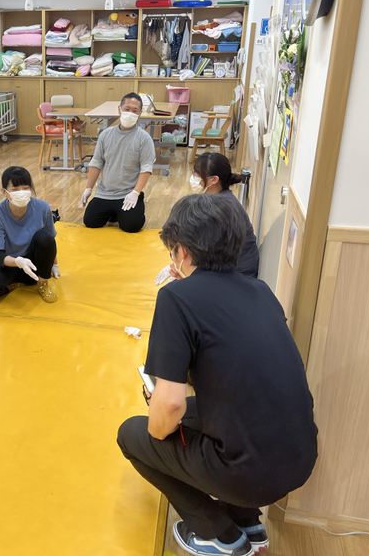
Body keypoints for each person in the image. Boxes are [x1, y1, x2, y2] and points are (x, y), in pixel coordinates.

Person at [117, 194, 317, 556]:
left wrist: (159, 430)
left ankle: (217, 533)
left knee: (133, 434)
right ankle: (247, 520)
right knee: (212, 412)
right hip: (300, 460)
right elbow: (233, 370)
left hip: (247, 474)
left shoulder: (176, 298)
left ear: (182, 252)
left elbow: (170, 406)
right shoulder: (260, 290)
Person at [0, 166, 59, 303]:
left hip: (34, 263)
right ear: (4, 192)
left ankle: (42, 283)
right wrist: (17, 262)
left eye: (25, 188)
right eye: (15, 189)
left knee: (45, 238)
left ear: (31, 189)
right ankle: (15, 284)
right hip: (12, 263)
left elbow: (49, 240)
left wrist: (54, 264)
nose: (21, 192)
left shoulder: (42, 207)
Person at [79, 93, 155, 233]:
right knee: (90, 222)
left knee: (132, 226)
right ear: (119, 109)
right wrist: (88, 188)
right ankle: (114, 213)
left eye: (135, 110)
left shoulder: (144, 138)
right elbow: (96, 162)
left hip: (128, 193)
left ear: (140, 113)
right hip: (105, 193)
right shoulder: (105, 134)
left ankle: (136, 203)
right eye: (127, 109)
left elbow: (146, 168)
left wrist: (135, 192)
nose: (130, 113)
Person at [190, 152, 259, 278]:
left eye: (198, 175)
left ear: (214, 180)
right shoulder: (220, 198)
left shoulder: (223, 208)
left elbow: (208, 250)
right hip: (231, 267)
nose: (194, 178)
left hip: (238, 275)